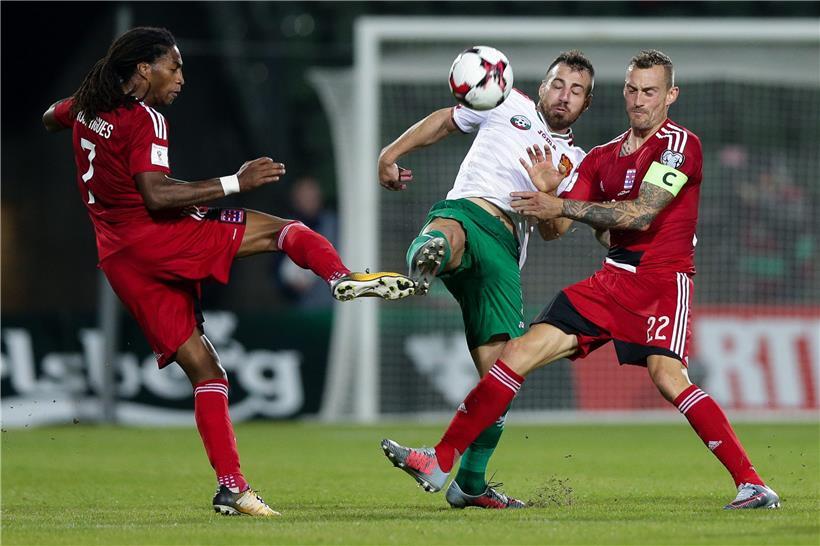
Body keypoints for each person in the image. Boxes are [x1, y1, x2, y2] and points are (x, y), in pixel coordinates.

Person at [381, 50, 780, 510]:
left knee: (668, 377)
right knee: (516, 354)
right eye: (631, 89)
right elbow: (571, 227)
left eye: (650, 91)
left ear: (670, 95)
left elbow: (642, 211)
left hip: (660, 283)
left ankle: (752, 483)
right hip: (610, 281)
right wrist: (551, 191)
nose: (639, 100)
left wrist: (561, 204)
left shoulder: (679, 144)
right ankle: (442, 460)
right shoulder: (599, 158)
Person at [42, 27, 414, 517]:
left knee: (206, 370)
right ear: (142, 70)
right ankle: (339, 277)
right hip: (158, 238)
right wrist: (234, 182)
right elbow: (154, 194)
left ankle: (233, 489)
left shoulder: (91, 106)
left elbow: (51, 116)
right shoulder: (145, 119)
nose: (180, 77)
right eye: (172, 67)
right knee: (283, 230)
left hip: (119, 259)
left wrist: (85, 111)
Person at [378, 51, 594, 509]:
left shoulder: (577, 161)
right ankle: (424, 263)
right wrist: (390, 153)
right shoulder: (503, 102)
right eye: (558, 84)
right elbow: (443, 122)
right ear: (540, 87)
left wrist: (549, 191)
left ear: (585, 104)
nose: (564, 96)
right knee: (448, 233)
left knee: (501, 374)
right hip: (471, 209)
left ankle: (470, 484)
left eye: (576, 91)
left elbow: (556, 231)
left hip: (507, 251)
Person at [275, 175, 340, 308]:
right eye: (304, 197)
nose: (309, 200)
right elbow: (276, 271)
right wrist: (290, 286)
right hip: (303, 307)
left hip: (336, 306)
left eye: (313, 196)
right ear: (295, 200)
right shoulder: (285, 230)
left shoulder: (335, 226)